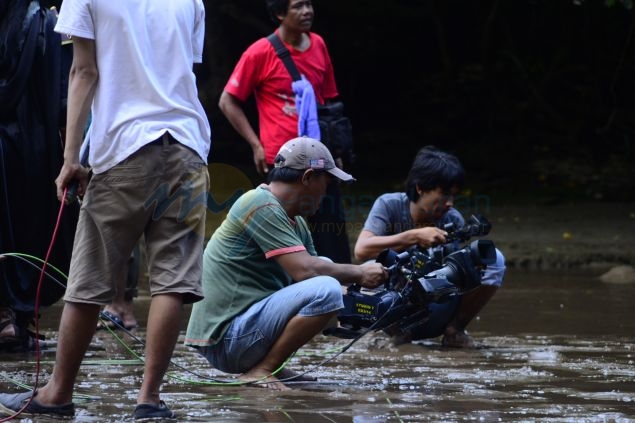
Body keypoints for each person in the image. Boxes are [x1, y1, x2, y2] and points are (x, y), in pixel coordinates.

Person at [0, 0, 211, 420]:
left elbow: (83, 72)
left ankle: (57, 394)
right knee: (171, 280)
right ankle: (149, 401)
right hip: (188, 148)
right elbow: (181, 69)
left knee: (89, 279)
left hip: (124, 147)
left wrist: (70, 159)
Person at [185, 137, 387, 391]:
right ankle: (263, 369)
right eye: (326, 185)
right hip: (227, 339)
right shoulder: (258, 203)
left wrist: (376, 299)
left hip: (247, 330)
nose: (326, 194)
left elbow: (315, 272)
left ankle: (273, 366)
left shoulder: (295, 219)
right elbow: (305, 271)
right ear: (308, 177)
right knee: (325, 287)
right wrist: (359, 272)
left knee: (325, 272)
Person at [218, 0, 352, 264]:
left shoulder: (319, 45)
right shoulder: (259, 52)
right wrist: (255, 144)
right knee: (285, 237)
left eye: (310, 4)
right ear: (280, 14)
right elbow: (227, 101)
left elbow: (328, 103)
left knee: (331, 235)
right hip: (283, 161)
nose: (308, 11)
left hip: (319, 158)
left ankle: (341, 294)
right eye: (298, 6)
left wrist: (336, 151)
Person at [354, 146, 506, 348]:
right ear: (420, 188)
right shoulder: (389, 205)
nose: (450, 203)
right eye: (444, 194)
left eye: (454, 196)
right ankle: (382, 331)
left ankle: (455, 331)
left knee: (494, 259)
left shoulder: (453, 219)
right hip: (392, 298)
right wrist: (414, 235)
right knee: (371, 267)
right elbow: (361, 250)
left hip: (434, 302)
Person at [0, 1, 78, 352]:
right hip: (30, 145)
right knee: (30, 230)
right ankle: (17, 321)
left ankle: (5, 319)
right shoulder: (44, 21)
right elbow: (63, 94)